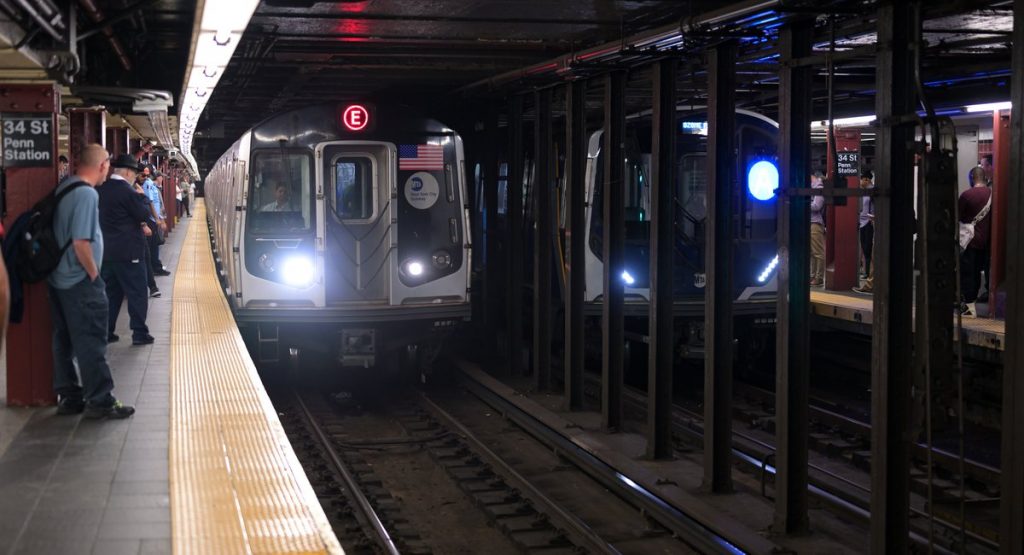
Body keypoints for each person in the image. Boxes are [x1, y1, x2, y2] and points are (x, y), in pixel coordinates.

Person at [48, 144, 135, 419]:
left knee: (63, 339)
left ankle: (70, 397)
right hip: (80, 281)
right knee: (92, 341)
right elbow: (81, 243)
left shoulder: (66, 187)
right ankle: (100, 400)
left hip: (58, 279)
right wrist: (95, 276)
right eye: (107, 166)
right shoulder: (86, 194)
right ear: (102, 165)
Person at [98, 154, 154, 345]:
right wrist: (142, 198)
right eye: (135, 173)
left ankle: (107, 331)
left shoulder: (100, 190)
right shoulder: (128, 192)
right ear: (129, 172)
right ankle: (139, 333)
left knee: (111, 294)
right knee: (137, 293)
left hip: (107, 253)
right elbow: (144, 214)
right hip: (130, 253)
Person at [959, 166, 992, 316]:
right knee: (982, 272)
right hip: (988, 242)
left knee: (969, 274)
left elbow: (958, 216)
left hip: (971, 242)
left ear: (972, 178)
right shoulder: (993, 194)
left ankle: (970, 307)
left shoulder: (967, 195)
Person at [141, 166, 170, 277]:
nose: (162, 179)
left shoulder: (152, 186)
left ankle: (155, 266)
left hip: (154, 219)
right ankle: (154, 268)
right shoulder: (148, 185)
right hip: (151, 220)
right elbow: (151, 202)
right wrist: (158, 219)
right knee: (152, 246)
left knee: (154, 245)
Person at [852, 170, 874, 294]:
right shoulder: (864, 192)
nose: (860, 181)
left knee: (868, 249)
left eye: (862, 179)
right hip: (863, 222)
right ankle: (867, 273)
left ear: (867, 180)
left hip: (869, 223)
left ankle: (868, 275)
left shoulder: (871, 190)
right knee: (866, 249)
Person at [809, 171, 826, 287]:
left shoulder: (819, 188)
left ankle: (819, 277)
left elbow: (816, 206)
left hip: (815, 223)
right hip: (810, 222)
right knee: (811, 252)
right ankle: (812, 275)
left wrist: (802, 203)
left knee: (818, 252)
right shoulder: (812, 189)